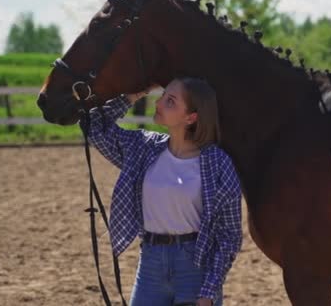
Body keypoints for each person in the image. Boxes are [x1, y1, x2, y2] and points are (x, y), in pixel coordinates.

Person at [86, 77, 242, 306]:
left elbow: (229, 235)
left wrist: (209, 290)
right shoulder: (143, 147)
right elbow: (93, 126)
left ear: (191, 117)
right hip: (150, 265)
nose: (158, 103)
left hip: (194, 267)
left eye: (170, 101)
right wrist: (134, 94)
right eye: (161, 96)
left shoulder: (219, 163)